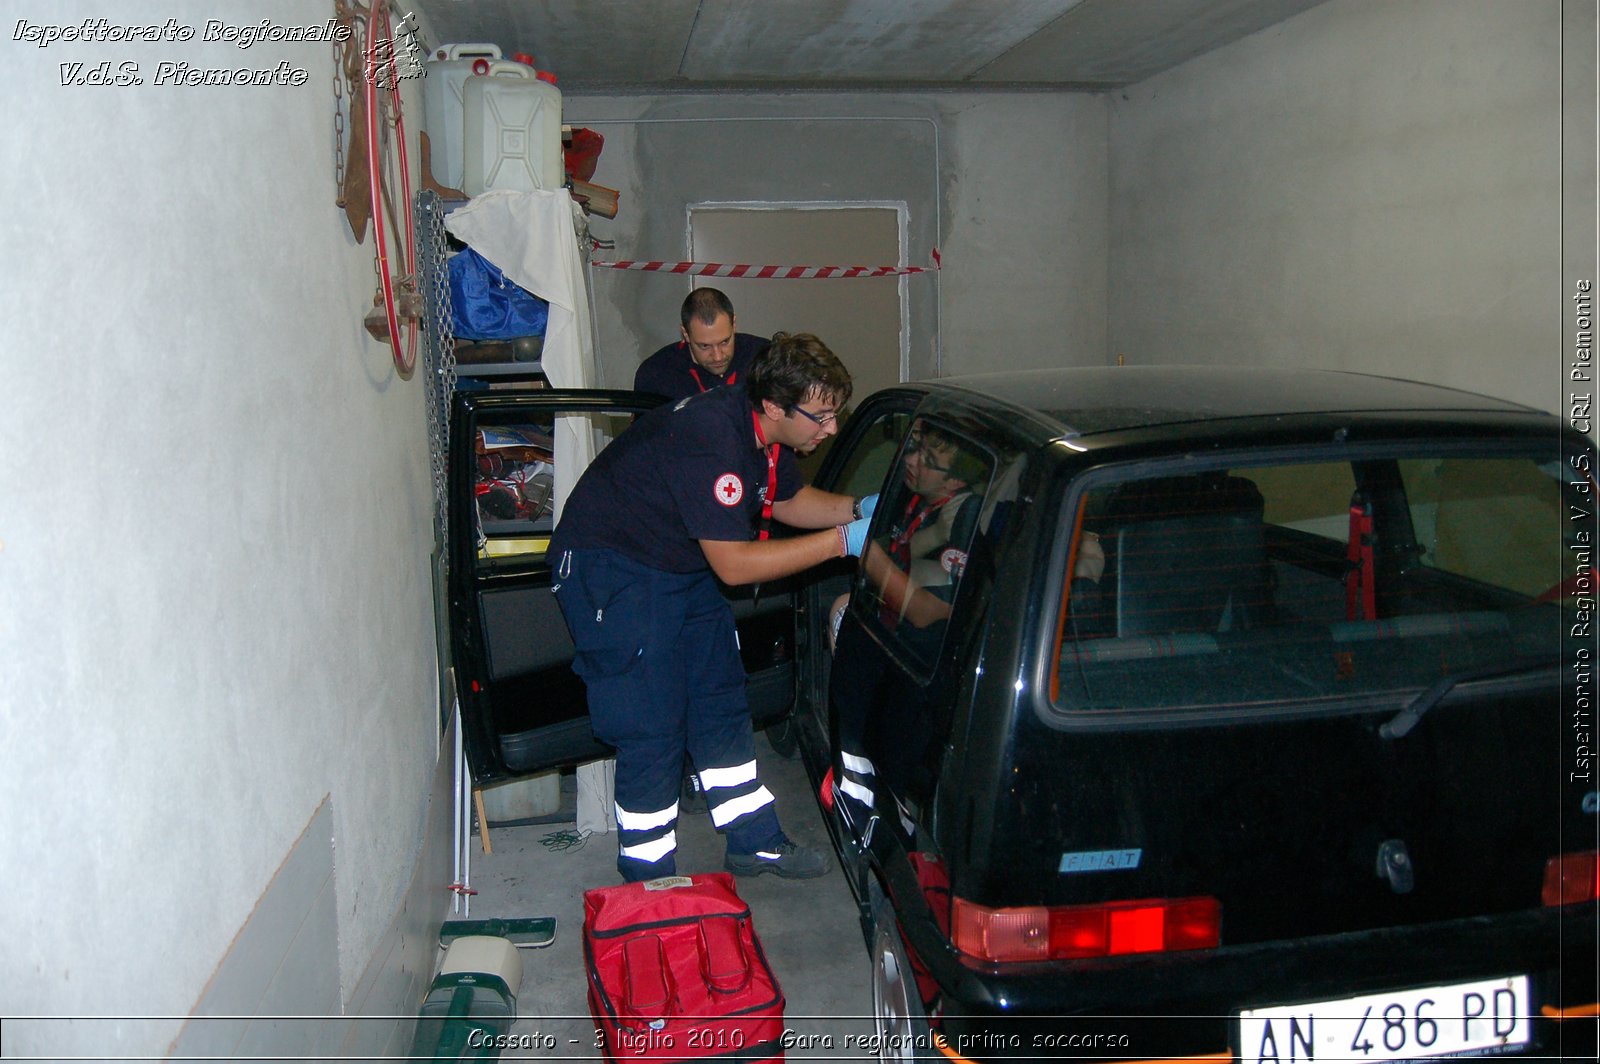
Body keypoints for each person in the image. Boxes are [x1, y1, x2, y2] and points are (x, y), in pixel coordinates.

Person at [550, 333, 874, 883]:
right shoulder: (712, 440)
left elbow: (788, 500)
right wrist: (843, 541)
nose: (831, 429)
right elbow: (735, 566)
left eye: (835, 414)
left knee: (719, 696)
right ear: (775, 406)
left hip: (679, 560)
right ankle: (650, 875)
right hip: (614, 569)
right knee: (652, 722)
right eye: (821, 417)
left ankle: (753, 842)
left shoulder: (765, 434)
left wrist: (860, 506)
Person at [633, 288, 769, 400]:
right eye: (704, 346)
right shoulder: (656, 374)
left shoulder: (766, 359)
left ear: (733, 324)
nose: (717, 357)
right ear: (685, 334)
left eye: (724, 342)